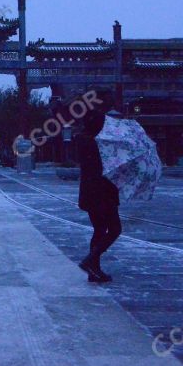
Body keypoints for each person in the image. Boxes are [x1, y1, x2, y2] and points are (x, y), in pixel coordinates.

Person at [75, 110, 121, 283]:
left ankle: (94, 268)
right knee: (114, 229)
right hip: (103, 191)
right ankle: (90, 261)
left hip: (89, 192)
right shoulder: (102, 144)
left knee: (100, 229)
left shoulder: (83, 141)